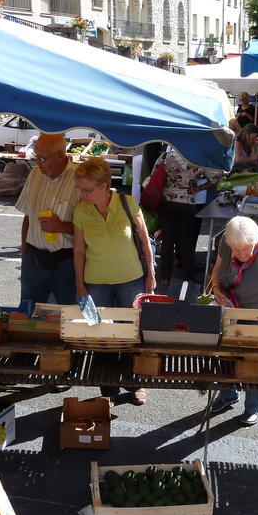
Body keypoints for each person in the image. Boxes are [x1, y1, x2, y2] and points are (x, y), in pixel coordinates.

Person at [72, 157, 155, 406]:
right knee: (98, 333)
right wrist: (79, 284)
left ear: (105, 185)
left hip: (131, 279)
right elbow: (78, 251)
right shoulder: (81, 210)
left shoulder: (127, 203)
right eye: (81, 188)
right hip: (93, 282)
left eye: (88, 189)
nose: (83, 194)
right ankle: (108, 390)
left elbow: (145, 240)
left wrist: (150, 273)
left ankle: (135, 385)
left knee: (130, 332)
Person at [207, 216, 258, 426]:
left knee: (253, 360)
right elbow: (217, 269)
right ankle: (227, 394)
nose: (243, 254)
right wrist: (216, 288)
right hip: (231, 305)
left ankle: (252, 407)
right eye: (238, 250)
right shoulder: (227, 239)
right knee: (224, 352)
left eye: (247, 249)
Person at [15, 131, 79, 305]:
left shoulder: (79, 179)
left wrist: (62, 227)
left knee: (67, 316)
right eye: (36, 157)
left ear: (60, 156)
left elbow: (91, 227)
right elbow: (27, 215)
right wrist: (24, 250)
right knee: (28, 315)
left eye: (42, 158)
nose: (37, 163)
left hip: (66, 262)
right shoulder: (35, 174)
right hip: (33, 258)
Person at [155, 146, 218, 286]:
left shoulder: (166, 156)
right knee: (186, 241)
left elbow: (154, 175)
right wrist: (199, 188)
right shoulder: (197, 159)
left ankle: (165, 277)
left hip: (166, 201)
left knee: (167, 240)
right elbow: (216, 177)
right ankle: (189, 277)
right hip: (187, 201)